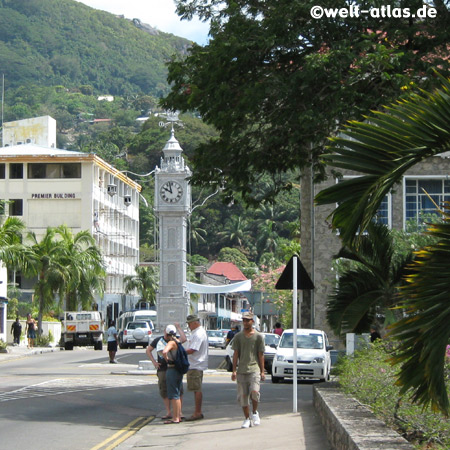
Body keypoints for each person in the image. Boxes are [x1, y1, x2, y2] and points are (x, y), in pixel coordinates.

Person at [231, 311, 265, 428]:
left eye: (247, 320)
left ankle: (255, 412)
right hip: (242, 370)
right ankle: (246, 418)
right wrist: (234, 370)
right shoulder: (238, 337)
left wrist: (262, 371)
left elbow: (261, 355)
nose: (245, 322)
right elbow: (236, 354)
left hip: (254, 369)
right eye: (244, 320)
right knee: (243, 396)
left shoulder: (258, 337)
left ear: (252, 321)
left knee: (255, 392)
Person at [146, 325, 184, 420]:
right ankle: (169, 412)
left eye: (171, 334)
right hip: (163, 368)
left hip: (174, 368)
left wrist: (179, 328)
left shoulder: (175, 341)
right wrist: (154, 362)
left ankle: (179, 412)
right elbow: (148, 350)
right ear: (164, 332)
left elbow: (184, 338)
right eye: (168, 335)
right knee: (165, 390)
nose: (169, 336)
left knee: (178, 390)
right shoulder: (159, 340)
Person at [176, 314, 208, 421]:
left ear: (195, 323)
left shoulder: (198, 334)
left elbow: (193, 349)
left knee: (196, 389)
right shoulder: (197, 332)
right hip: (196, 364)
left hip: (196, 364)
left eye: (190, 324)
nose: (189, 326)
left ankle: (197, 412)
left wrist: (180, 352)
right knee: (196, 389)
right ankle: (197, 411)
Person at [162, 324, 184, 424]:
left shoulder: (171, 342)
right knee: (178, 394)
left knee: (174, 395)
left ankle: (175, 418)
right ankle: (178, 416)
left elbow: (164, 351)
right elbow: (184, 338)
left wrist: (167, 359)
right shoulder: (178, 341)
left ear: (166, 333)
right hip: (179, 369)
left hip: (172, 369)